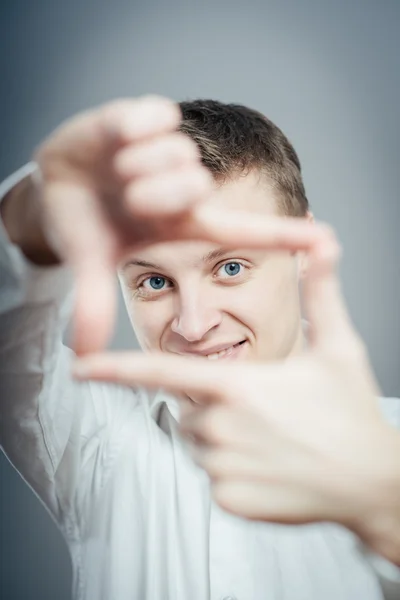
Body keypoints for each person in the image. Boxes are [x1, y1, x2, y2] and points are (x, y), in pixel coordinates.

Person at [0, 95, 399, 600]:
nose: (192, 325)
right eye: (154, 281)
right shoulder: (97, 439)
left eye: (230, 268)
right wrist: (40, 209)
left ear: (301, 247)